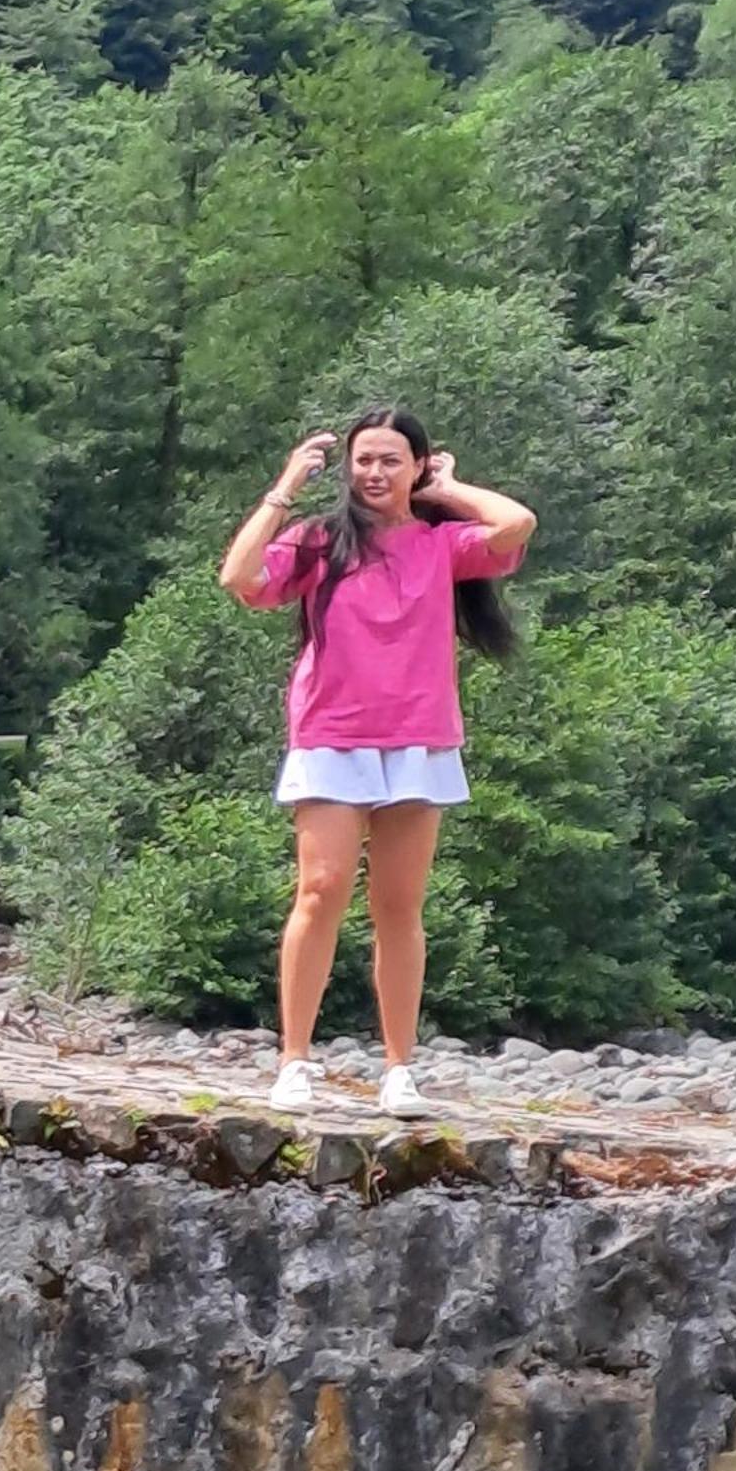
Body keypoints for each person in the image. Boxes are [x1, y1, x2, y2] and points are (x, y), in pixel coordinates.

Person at [217, 406, 536, 1119]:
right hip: (332, 734)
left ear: (417, 466)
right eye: (364, 459)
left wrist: (452, 489)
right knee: (321, 889)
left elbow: (517, 524)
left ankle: (399, 1069)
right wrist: (284, 487)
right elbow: (238, 577)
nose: (374, 472)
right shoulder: (320, 540)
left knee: (398, 906)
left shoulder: (442, 544)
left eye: (391, 459)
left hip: (419, 740)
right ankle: (295, 1059)